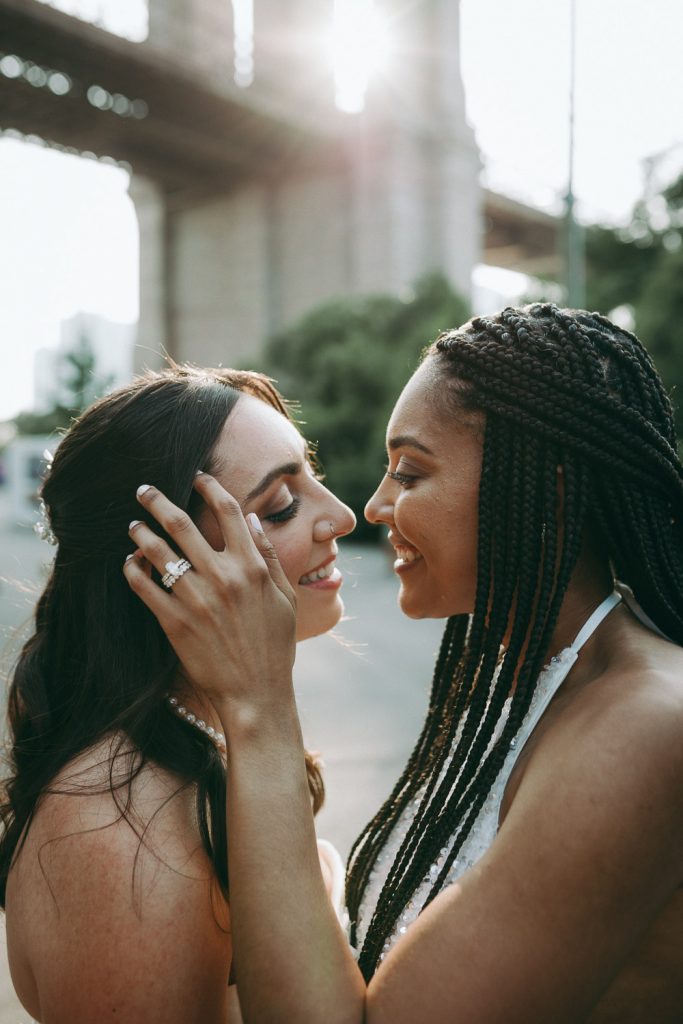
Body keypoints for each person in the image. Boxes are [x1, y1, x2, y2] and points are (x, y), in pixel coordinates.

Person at [126, 305, 683, 1023]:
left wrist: (257, 706)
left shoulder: (645, 724)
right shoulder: (531, 685)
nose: (373, 506)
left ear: (546, 486)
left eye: (410, 472)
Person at [0, 365, 355, 1023]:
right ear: (163, 559)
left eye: (314, 474)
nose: (341, 515)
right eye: (280, 505)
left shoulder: (203, 743)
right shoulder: (116, 830)